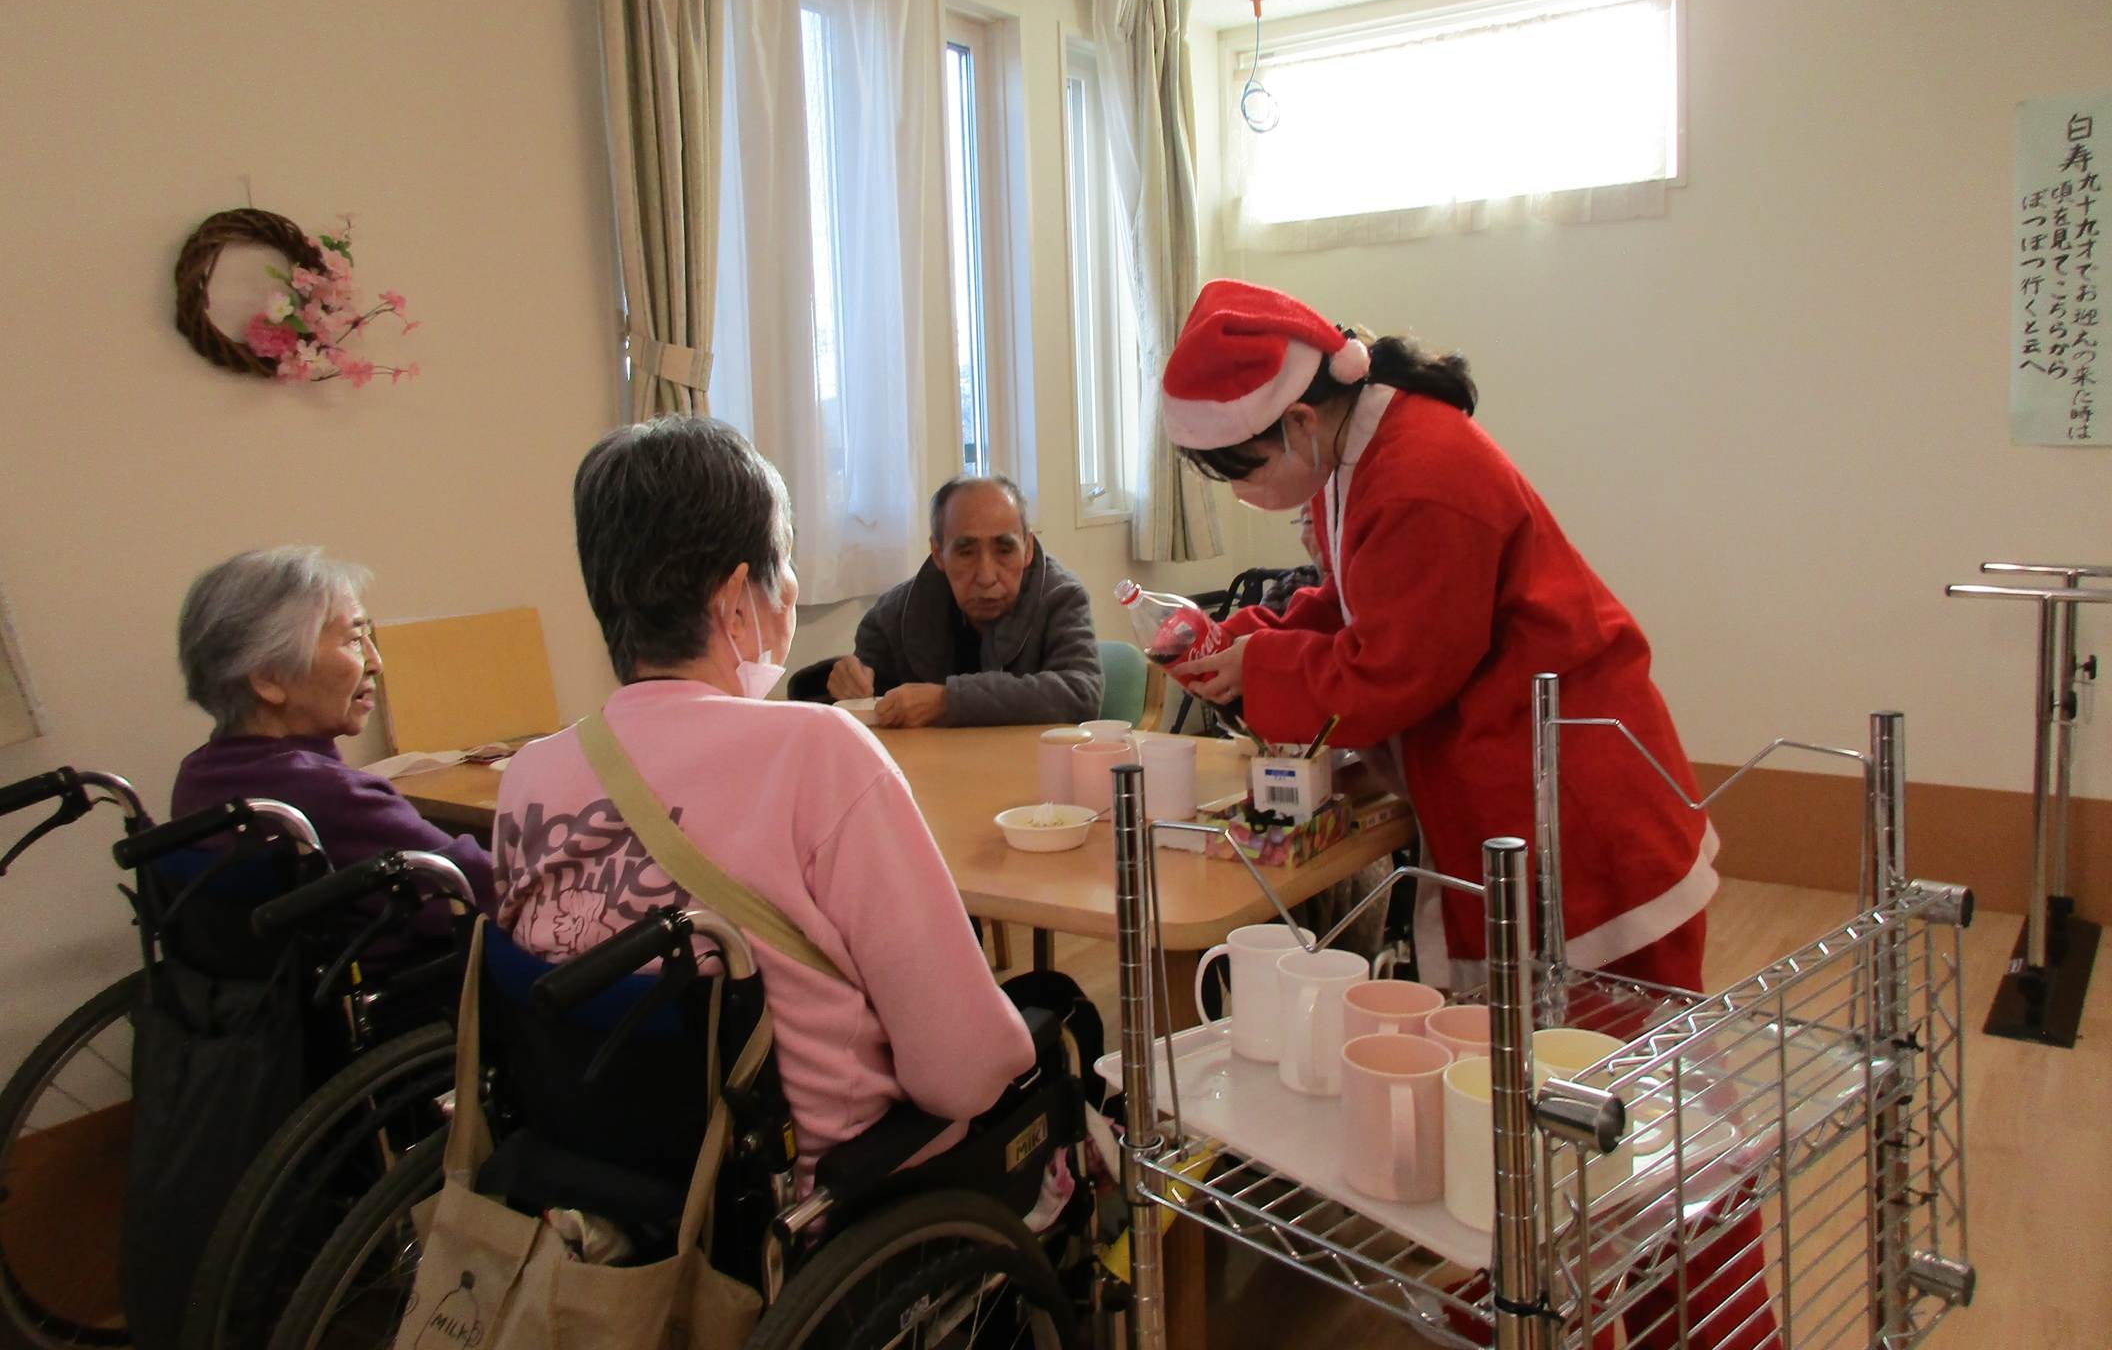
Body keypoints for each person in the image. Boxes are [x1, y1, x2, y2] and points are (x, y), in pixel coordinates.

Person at [1158, 279, 1773, 1350]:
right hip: (1526, 809)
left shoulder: (1424, 472)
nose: (1246, 502)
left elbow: (1394, 665)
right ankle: (1515, 1302)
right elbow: (1359, 603)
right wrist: (1250, 638)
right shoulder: (1367, 461)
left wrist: (1261, 665)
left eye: (1244, 474)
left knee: (1641, 1115)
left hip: (1582, 823)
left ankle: (1710, 1330)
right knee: (1519, 1102)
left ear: (1298, 422)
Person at [492, 417, 1033, 1175]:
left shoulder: (529, 776)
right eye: (781, 566)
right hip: (802, 1199)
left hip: (599, 1173)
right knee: (1049, 1029)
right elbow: (963, 1071)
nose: (793, 590)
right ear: (735, 598)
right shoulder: (816, 752)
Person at [172, 546, 496, 917]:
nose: (376, 662)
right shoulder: (331, 796)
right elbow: (488, 890)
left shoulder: (196, 778)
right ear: (268, 677)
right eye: (354, 640)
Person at [810, 475, 1102, 728]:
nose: (986, 576)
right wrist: (847, 686)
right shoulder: (890, 618)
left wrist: (948, 701)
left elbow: (1081, 694)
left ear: (1027, 549)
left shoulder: (1062, 598)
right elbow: (866, 709)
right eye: (966, 552)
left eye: (1004, 550)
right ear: (938, 553)